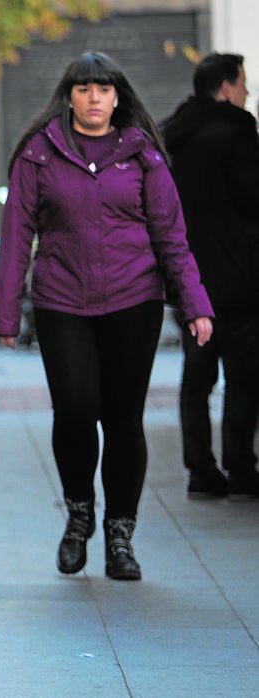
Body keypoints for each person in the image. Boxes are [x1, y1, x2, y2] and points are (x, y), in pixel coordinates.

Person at [0, 51, 214, 582]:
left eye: (105, 89)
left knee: (121, 419)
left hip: (132, 302)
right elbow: (17, 235)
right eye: (85, 88)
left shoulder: (144, 156)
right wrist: (5, 312)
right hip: (62, 301)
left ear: (119, 97)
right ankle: (78, 515)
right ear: (68, 95)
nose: (95, 98)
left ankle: (120, 533)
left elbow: (171, 238)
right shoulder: (38, 155)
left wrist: (195, 304)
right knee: (74, 410)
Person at [160, 52, 259, 501]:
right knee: (242, 378)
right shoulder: (237, 134)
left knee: (196, 379)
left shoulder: (173, 138)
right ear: (224, 87)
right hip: (239, 276)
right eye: (242, 84)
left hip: (189, 278)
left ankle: (200, 470)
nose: (247, 93)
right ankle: (241, 468)